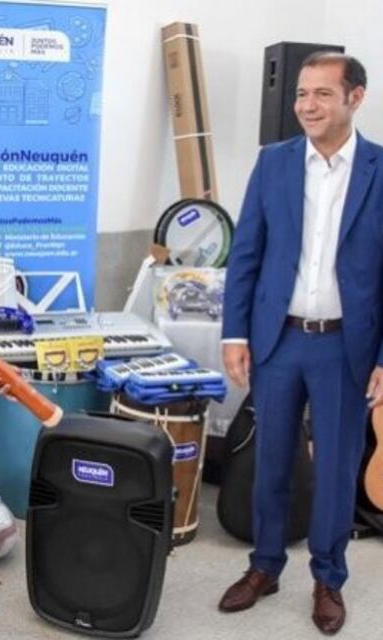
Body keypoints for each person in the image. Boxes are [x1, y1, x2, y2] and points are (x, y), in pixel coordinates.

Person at [220, 51, 383, 635]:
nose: (307, 106)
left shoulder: (379, 169)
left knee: (337, 471)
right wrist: (235, 333)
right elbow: (246, 256)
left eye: (322, 94)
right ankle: (264, 567)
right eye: (301, 94)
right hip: (279, 341)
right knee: (270, 464)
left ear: (355, 98)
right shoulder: (274, 164)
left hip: (346, 348)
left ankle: (328, 578)